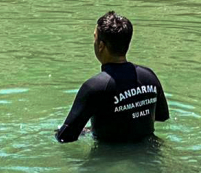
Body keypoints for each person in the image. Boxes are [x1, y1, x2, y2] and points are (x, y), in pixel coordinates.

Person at [55, 12, 170, 144]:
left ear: (101, 46)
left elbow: (65, 136)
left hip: (107, 158)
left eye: (95, 38)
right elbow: (161, 117)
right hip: (151, 153)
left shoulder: (95, 86)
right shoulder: (149, 76)